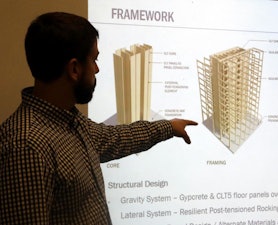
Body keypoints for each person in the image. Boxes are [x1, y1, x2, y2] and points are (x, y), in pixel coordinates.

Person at [0, 12, 197, 224]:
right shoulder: (25, 146)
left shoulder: (71, 122)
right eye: (93, 60)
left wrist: (169, 127)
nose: (97, 68)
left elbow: (116, 138)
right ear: (74, 69)